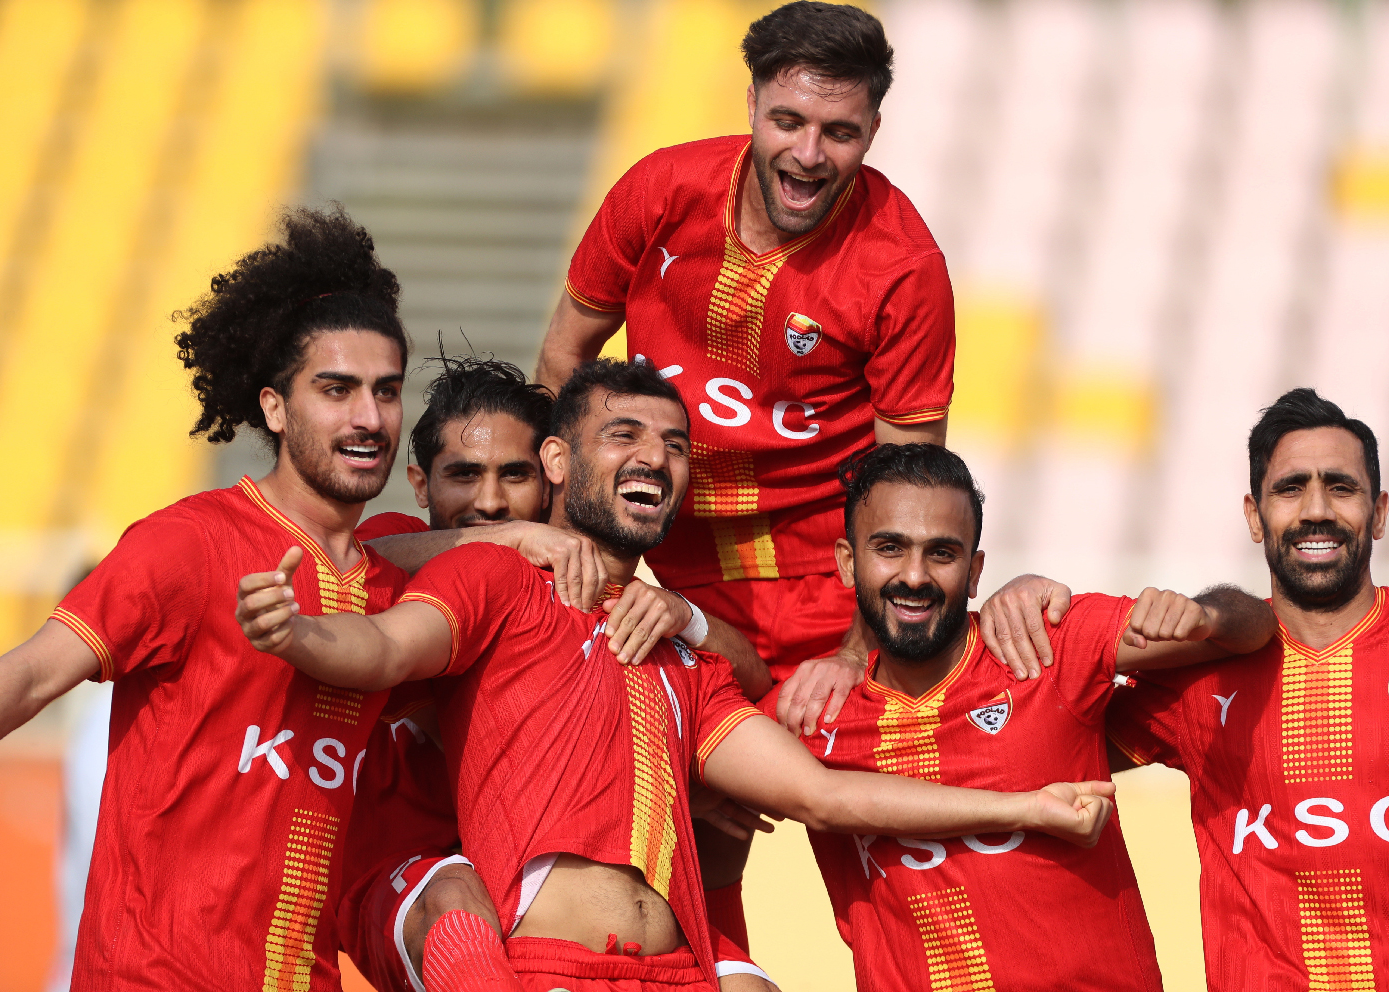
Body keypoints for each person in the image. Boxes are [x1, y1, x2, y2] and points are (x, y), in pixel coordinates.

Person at [236, 359, 1121, 992]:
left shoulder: (680, 655)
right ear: (559, 464)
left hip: (674, 968)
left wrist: (1025, 808)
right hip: (529, 956)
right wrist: (297, 632)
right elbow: (382, 643)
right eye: (623, 435)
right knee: (454, 906)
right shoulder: (490, 577)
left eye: (674, 444)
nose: (654, 457)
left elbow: (822, 793)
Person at [534, 0, 970, 945]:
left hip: (829, 604)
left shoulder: (902, 267)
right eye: (788, 121)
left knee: (897, 878)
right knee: (674, 857)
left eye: (839, 131)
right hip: (677, 592)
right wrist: (561, 543)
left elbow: (913, 492)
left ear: (874, 130)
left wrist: (854, 654)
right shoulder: (659, 191)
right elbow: (562, 364)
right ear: (752, 105)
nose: (809, 154)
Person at [0, 208, 418, 990]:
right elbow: (34, 673)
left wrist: (528, 539)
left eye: (387, 392)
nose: (368, 418)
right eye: (336, 389)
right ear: (274, 407)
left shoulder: (393, 591)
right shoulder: (189, 544)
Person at [763, 443, 1276, 991]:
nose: (914, 575)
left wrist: (1205, 614)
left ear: (976, 570)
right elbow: (700, 784)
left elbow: (1254, 630)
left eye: (942, 553)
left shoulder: (1043, 646)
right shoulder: (810, 713)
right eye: (890, 548)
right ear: (847, 562)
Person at [339, 356, 770, 992]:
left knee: (744, 976)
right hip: (408, 874)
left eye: (514, 476)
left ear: (547, 477)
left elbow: (750, 675)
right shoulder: (406, 547)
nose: (490, 502)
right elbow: (333, 562)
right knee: (454, 898)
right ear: (420, 485)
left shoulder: (564, 595)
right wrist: (510, 537)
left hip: (525, 888)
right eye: (463, 474)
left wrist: (685, 619)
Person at [1099, 389, 1389, 991]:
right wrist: (1026, 593)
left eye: (1342, 487)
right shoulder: (1204, 666)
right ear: (1255, 516)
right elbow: (1043, 739)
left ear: (1380, 512)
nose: (1316, 510)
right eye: (1290, 488)